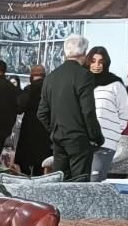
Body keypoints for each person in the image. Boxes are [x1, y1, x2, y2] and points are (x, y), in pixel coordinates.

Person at [38, 35, 102, 182]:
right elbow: (88, 110)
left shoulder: (51, 77)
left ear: (65, 52)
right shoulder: (84, 75)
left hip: (58, 138)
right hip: (79, 139)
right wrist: (95, 137)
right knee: (79, 185)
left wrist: (54, 129)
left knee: (60, 183)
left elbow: (41, 113)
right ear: (84, 53)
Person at [87, 46, 128, 182]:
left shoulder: (115, 84)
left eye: (101, 62)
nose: (96, 65)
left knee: (95, 181)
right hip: (83, 141)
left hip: (106, 141)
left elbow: (124, 112)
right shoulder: (82, 82)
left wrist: (114, 132)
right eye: (93, 61)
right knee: (80, 182)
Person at [14, 65, 51, 175]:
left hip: (29, 130)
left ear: (31, 76)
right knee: (41, 164)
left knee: (25, 164)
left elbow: (19, 108)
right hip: (45, 130)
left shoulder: (29, 90)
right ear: (44, 75)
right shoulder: (50, 90)